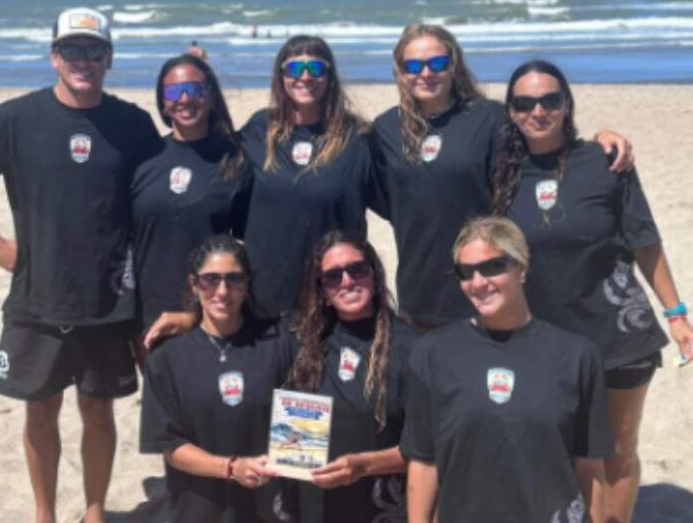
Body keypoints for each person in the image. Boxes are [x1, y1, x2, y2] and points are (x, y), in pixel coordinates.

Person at [0, 7, 161, 523]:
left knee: (99, 410)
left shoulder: (133, 124)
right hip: (37, 296)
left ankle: (96, 509)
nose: (84, 60)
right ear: (54, 56)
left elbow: (158, 201)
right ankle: (44, 514)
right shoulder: (15, 119)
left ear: (109, 58)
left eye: (95, 51)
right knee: (40, 410)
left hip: (108, 299)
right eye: (73, 50)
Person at [493, 60, 693, 523]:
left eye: (550, 100)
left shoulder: (606, 161)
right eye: (524, 103)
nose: (538, 111)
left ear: (567, 105)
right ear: (511, 112)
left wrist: (677, 313)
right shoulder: (500, 176)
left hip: (619, 333)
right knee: (560, 447)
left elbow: (644, 239)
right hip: (542, 340)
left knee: (618, 449)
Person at [371, 24, 633, 329]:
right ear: (399, 71)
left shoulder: (490, 117)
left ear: (453, 65)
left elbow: (545, 144)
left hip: (489, 285)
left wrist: (600, 139)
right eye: (413, 65)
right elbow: (386, 199)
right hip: (420, 293)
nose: (426, 73)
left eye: (438, 63)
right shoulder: (386, 129)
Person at [402, 216, 612, 522]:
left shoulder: (577, 356)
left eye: (492, 267)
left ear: (522, 268)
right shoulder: (432, 354)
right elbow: (423, 461)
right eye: (466, 272)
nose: (478, 283)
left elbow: (591, 468)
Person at [139, 235, 298, 522]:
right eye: (210, 279)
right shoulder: (167, 358)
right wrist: (230, 467)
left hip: (269, 507)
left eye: (234, 279)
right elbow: (170, 445)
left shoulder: (278, 344)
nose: (223, 291)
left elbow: (300, 430)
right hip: (198, 509)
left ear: (247, 284)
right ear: (194, 283)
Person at [239, 35, 380, 318]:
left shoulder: (356, 136)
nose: (305, 77)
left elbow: (397, 196)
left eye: (315, 69)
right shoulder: (259, 128)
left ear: (329, 76)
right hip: (268, 292)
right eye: (294, 70)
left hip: (337, 289)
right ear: (281, 77)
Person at [284, 230, 422, 522]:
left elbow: (431, 449)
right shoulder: (305, 345)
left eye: (356, 269)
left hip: (383, 509)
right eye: (333, 276)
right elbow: (295, 446)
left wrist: (364, 465)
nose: (347, 281)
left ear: (374, 274)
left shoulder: (413, 348)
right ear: (321, 289)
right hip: (318, 510)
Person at [134, 54, 251, 353]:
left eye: (196, 89)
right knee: (161, 397)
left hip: (216, 309)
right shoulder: (143, 158)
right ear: (162, 102)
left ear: (211, 97)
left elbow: (251, 241)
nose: (185, 98)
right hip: (151, 310)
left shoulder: (236, 160)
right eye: (174, 92)